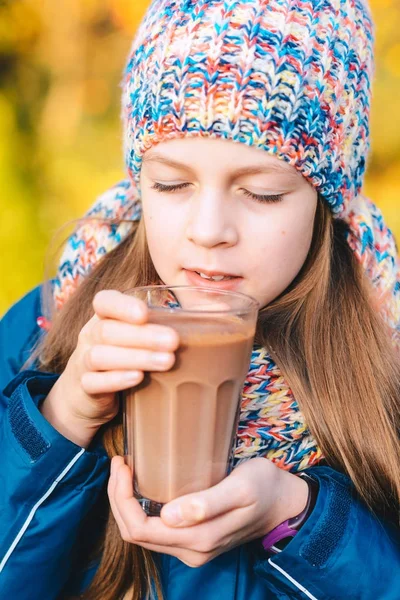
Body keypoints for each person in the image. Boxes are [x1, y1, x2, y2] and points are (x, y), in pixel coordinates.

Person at [1, 0, 399, 598]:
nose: (209, 229)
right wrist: (61, 418)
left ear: (325, 201)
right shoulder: (47, 327)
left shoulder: (382, 359)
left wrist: (297, 517)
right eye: (172, 183)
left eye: (262, 193)